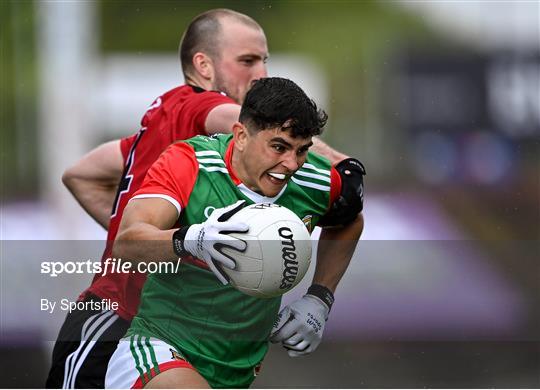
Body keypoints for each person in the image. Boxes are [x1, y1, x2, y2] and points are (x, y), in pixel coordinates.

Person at [46, 9, 350, 389]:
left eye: (265, 61)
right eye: (247, 61)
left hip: (175, 326)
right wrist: (342, 165)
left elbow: (83, 174)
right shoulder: (196, 106)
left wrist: (177, 243)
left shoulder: (163, 123)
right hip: (120, 314)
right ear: (203, 65)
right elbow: (252, 119)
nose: (261, 74)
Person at [104, 77, 364, 388]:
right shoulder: (189, 163)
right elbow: (128, 241)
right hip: (157, 351)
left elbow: (349, 221)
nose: (291, 164)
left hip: (236, 371)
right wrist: (191, 239)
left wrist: (320, 299)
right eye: (279, 147)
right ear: (240, 135)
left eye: (302, 150)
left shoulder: (315, 181)